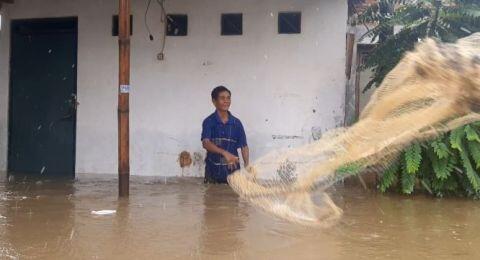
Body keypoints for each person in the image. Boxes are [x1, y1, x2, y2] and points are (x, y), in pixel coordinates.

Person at [201, 86, 249, 183]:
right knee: (211, 197)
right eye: (222, 98)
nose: (226, 101)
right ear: (214, 101)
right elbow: (205, 143)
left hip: (233, 174)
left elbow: (244, 147)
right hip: (213, 172)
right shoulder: (209, 121)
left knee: (232, 198)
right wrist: (224, 153)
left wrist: (247, 167)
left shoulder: (237, 123)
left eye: (228, 98)